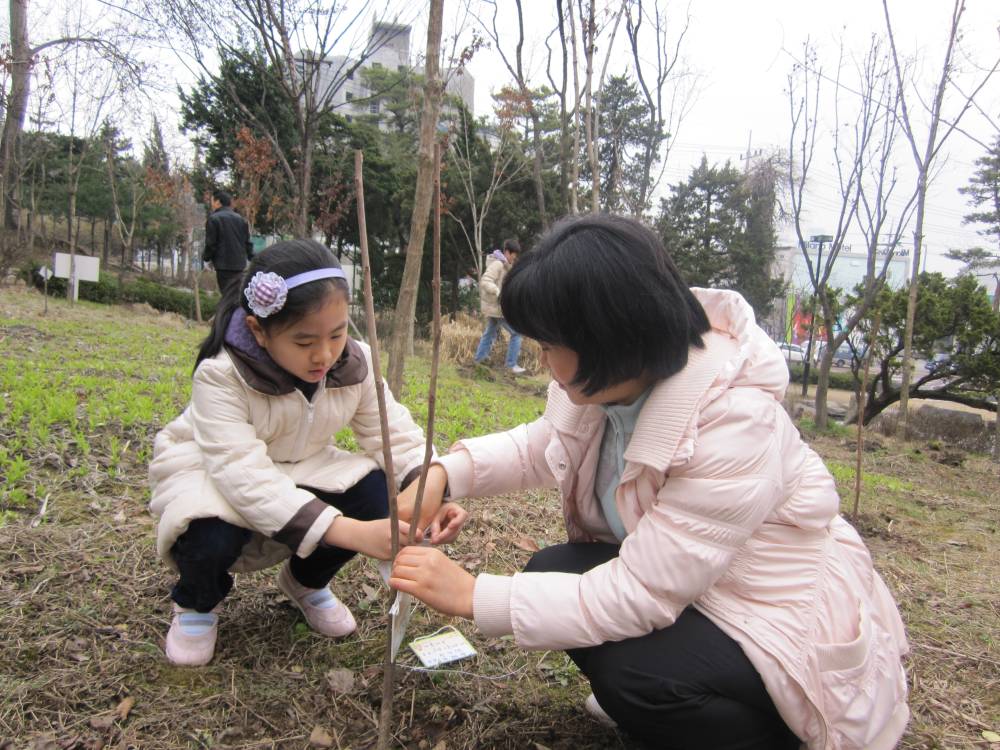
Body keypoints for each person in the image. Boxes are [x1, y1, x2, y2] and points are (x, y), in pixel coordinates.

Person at [390, 214, 910, 750]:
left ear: (608, 339)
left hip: (772, 619)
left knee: (632, 674)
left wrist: (476, 595)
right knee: (552, 569)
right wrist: (445, 475)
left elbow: (641, 593)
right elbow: (541, 446)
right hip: (700, 588)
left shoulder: (734, 425)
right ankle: (666, 706)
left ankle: (759, 734)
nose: (543, 362)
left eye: (548, 346)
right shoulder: (615, 385)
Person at [148, 239, 465, 666]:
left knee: (375, 497)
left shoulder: (355, 364)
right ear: (259, 331)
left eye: (337, 334)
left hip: (303, 465)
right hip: (209, 473)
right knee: (208, 532)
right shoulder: (222, 376)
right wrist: (353, 532)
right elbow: (244, 477)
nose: (324, 354)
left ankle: (304, 581)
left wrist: (432, 491)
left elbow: (395, 437)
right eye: (303, 342)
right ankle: (196, 603)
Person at [473, 238, 526, 374]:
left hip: (495, 308)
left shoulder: (505, 265)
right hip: (497, 307)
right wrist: (498, 292)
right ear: (507, 252)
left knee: (490, 333)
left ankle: (479, 360)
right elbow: (485, 281)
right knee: (517, 333)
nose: (514, 259)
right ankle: (511, 365)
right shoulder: (497, 264)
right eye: (513, 256)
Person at [203, 189, 254, 293]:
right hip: (240, 265)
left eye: (212, 201)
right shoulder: (241, 219)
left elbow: (211, 244)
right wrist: (252, 258)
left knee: (227, 296)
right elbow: (247, 242)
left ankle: (228, 310)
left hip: (223, 265)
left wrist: (206, 258)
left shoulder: (214, 219)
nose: (212, 204)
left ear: (218, 202)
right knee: (237, 295)